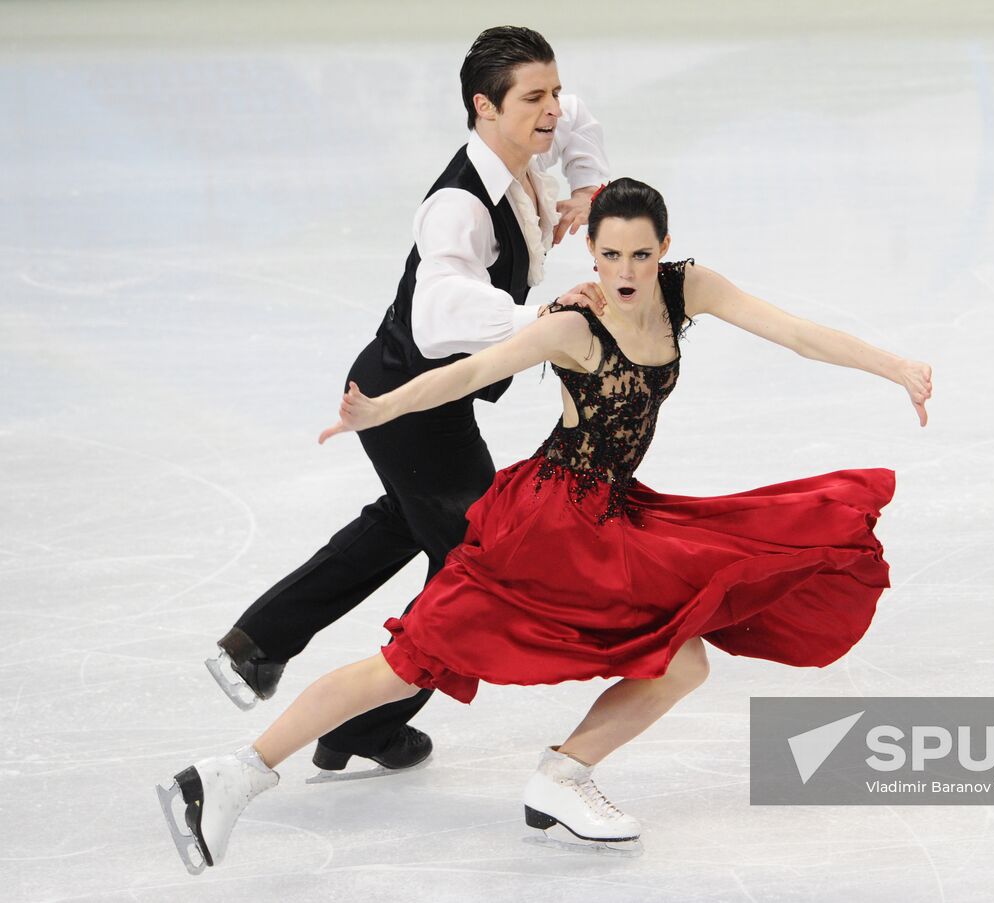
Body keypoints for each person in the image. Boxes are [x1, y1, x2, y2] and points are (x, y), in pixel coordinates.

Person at [158, 178, 933, 873]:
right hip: (544, 526)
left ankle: (562, 775)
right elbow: (468, 373)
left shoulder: (687, 287)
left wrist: (895, 365)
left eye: (637, 252)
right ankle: (230, 775)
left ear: (663, 247)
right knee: (410, 662)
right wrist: (380, 409)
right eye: (607, 254)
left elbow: (792, 330)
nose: (624, 272)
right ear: (590, 253)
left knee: (681, 660)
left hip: (613, 519)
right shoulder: (576, 324)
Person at [203, 26, 611, 778]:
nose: (553, 108)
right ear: (485, 107)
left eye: (553, 89)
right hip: (408, 399)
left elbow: (580, 121)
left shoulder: (528, 140)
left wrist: (585, 184)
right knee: (477, 566)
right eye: (535, 97)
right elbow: (437, 312)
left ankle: (258, 645)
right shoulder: (458, 204)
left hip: (427, 398)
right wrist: (543, 318)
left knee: (404, 522)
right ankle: (366, 721)